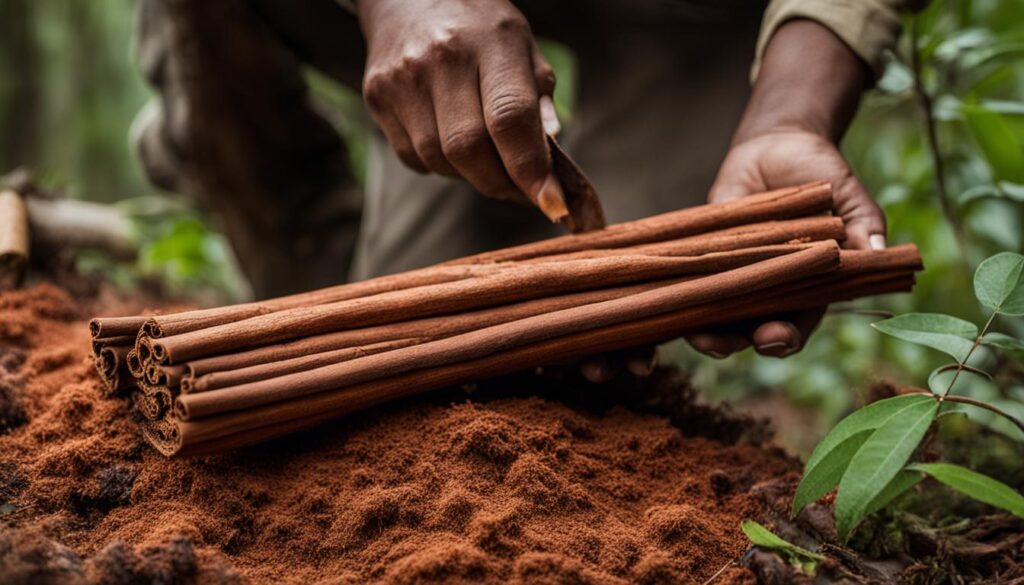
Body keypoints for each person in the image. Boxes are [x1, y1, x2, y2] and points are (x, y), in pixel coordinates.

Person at [133, 0, 918, 364]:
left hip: (689, 24)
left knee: (583, 327)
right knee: (412, 360)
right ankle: (310, 274)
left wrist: (790, 116)